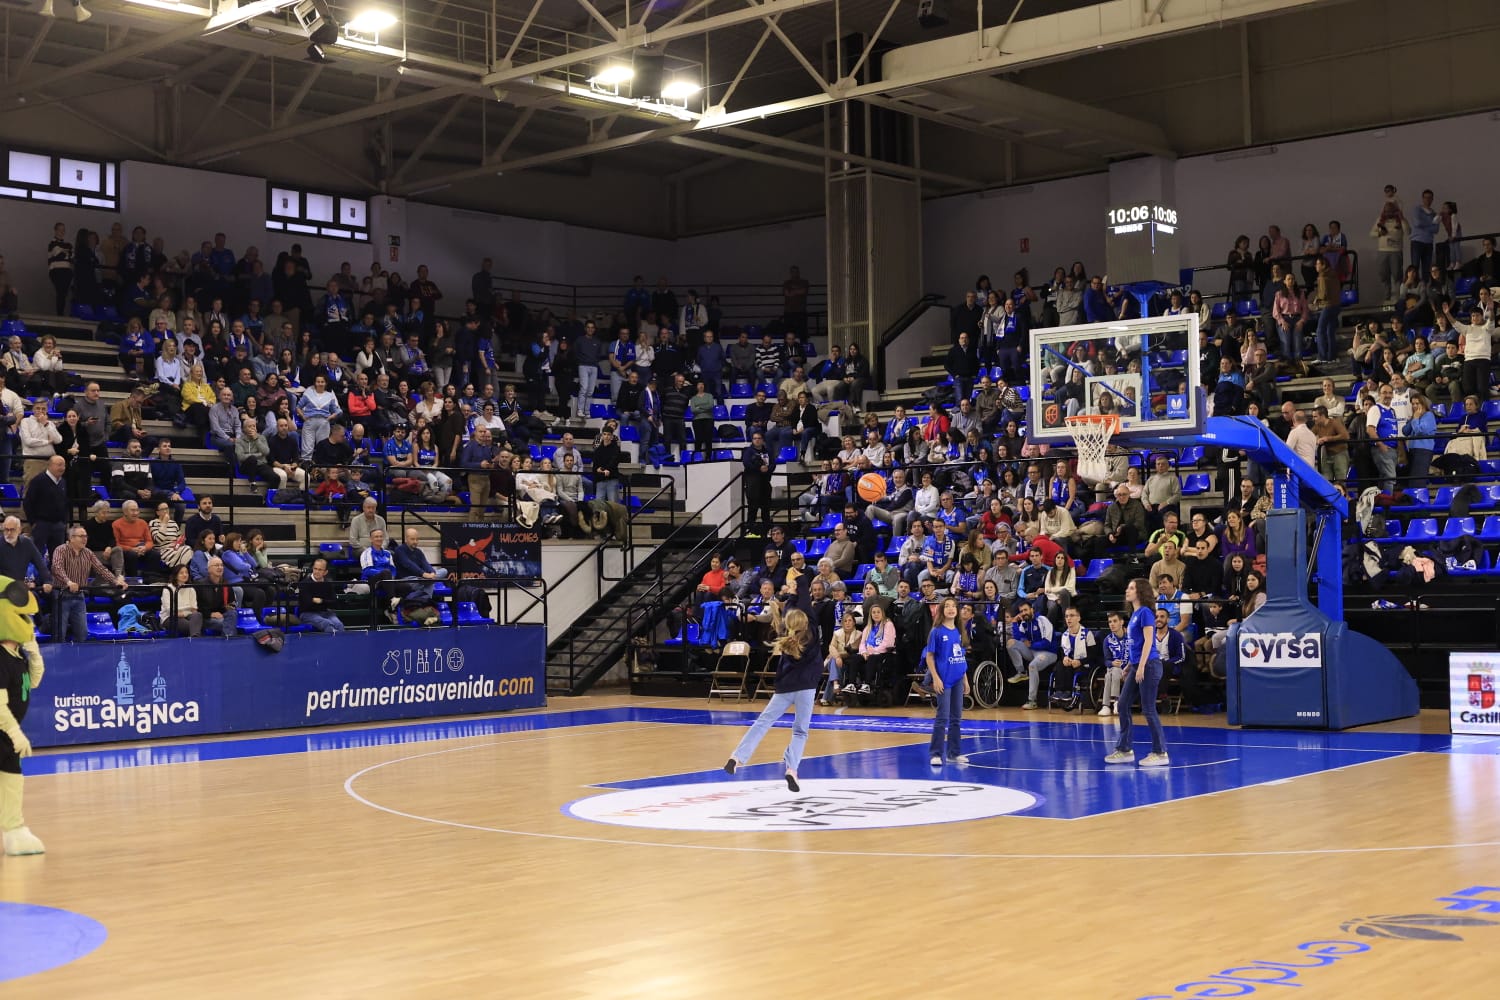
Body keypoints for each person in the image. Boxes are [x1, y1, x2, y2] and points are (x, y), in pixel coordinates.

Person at [722, 608, 821, 793]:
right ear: (805, 624)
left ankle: (736, 757)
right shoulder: (812, 639)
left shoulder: (785, 639)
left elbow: (786, 620)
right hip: (806, 688)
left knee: (762, 723)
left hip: (784, 688)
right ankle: (792, 769)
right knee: (800, 731)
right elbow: (811, 614)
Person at [1105, 579, 1169, 767]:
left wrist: (1140, 666)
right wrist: (1130, 665)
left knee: (1148, 709)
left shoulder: (1146, 613)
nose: (1127, 590)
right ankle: (1124, 749)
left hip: (1149, 665)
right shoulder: (1134, 614)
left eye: (1131, 588)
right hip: (1137, 665)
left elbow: (1149, 641)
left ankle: (1160, 752)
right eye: (1128, 586)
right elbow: (1135, 644)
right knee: (1123, 704)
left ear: (1140, 592)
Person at [51, 524, 123, 642]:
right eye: (81, 536)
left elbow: (101, 569)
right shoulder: (61, 550)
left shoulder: (88, 553)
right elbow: (56, 568)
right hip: (61, 595)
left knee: (82, 633)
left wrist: (116, 581)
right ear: (72, 538)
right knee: (60, 634)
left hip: (79, 595)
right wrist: (68, 582)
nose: (85, 539)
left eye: (86, 536)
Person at [924, 596, 971, 766]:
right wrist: (935, 678)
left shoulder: (959, 631)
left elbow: (961, 657)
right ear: (941, 610)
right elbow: (930, 657)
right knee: (942, 717)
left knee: (956, 718)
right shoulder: (936, 631)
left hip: (958, 677)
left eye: (954, 606)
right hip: (944, 679)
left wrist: (965, 679)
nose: (951, 609)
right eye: (947, 606)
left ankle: (954, 753)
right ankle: (935, 753)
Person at [1006, 598, 1057, 710]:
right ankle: (1021, 672)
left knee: (1032, 666)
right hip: (1033, 652)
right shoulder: (1024, 623)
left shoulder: (1042, 620)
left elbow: (1047, 642)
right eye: (1021, 611)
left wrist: (1031, 644)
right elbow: (1018, 638)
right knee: (1011, 643)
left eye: (1026, 610)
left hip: (1048, 652)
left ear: (1032, 609)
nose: (1024, 613)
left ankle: (1032, 701)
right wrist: (1014, 623)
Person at [23, 456, 69, 559]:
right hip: (41, 525)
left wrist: (64, 521)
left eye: (64, 465)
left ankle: (55, 575)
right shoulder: (38, 480)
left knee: (58, 558)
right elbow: (28, 502)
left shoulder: (63, 482)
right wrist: (33, 522)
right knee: (37, 555)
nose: (62, 468)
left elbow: (65, 503)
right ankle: (37, 575)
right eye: (59, 465)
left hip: (58, 526)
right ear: (50, 466)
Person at [298, 557, 345, 634]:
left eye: (320, 570)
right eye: (315, 569)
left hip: (326, 612)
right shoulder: (305, 584)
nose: (316, 572)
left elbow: (334, 602)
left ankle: (340, 644)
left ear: (325, 572)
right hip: (307, 614)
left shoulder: (328, 584)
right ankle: (332, 644)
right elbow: (307, 604)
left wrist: (321, 601)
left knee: (339, 625)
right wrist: (325, 602)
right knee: (326, 623)